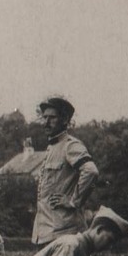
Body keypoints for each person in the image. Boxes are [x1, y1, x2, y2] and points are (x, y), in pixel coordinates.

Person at [31, 96, 100, 246]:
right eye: (45, 118)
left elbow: (91, 171)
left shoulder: (70, 145)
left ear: (64, 120)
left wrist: (73, 201)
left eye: (52, 118)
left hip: (64, 233)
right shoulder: (51, 148)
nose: (46, 122)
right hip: (46, 233)